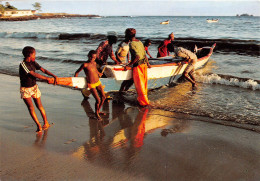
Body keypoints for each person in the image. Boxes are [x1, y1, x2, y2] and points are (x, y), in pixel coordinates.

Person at [19, 46, 57, 133]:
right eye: (34, 54)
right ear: (29, 55)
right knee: (31, 108)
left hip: (34, 87)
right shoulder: (23, 64)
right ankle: (38, 125)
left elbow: (43, 70)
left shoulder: (33, 62)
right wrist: (46, 79)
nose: (35, 56)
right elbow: (33, 74)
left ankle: (46, 123)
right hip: (25, 89)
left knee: (39, 106)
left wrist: (53, 76)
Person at [74, 50, 106, 120]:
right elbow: (76, 72)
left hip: (98, 82)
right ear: (88, 56)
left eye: (94, 58)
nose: (92, 59)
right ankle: (96, 114)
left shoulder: (94, 63)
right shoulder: (85, 65)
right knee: (98, 100)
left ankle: (98, 110)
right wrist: (76, 82)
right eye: (91, 57)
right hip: (91, 84)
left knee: (103, 97)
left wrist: (99, 73)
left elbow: (95, 70)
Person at [124, 28, 151, 106]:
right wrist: (148, 64)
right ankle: (144, 100)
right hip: (144, 65)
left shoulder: (131, 43)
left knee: (140, 85)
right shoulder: (140, 42)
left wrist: (128, 65)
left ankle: (144, 103)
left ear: (128, 35)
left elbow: (137, 57)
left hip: (138, 66)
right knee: (144, 84)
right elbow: (144, 55)